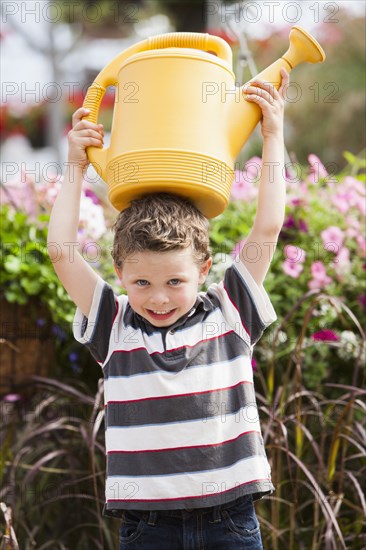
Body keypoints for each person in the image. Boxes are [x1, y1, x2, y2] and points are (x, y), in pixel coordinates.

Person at [48, 68, 289, 550]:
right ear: (118, 272)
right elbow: (61, 251)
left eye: (174, 281)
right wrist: (74, 163)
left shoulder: (229, 312)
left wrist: (273, 134)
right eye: (142, 282)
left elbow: (266, 230)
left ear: (204, 269)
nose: (158, 297)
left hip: (231, 521)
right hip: (147, 527)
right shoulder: (114, 326)